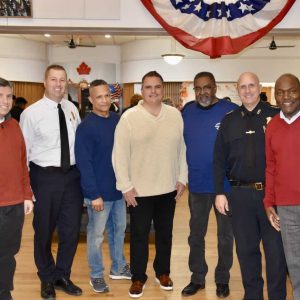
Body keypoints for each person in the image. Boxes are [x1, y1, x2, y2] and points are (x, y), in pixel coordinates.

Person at [112, 71, 187, 298]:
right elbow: (119, 154)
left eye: (157, 86)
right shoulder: (129, 118)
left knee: (165, 234)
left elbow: (182, 149)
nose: (153, 91)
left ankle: (162, 272)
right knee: (139, 236)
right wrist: (125, 186)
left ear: (162, 89)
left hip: (168, 188)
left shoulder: (175, 115)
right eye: (148, 87)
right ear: (141, 90)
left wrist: (182, 177)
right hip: (139, 191)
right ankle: (138, 277)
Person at [214, 72, 287, 300]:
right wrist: (219, 192)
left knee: (276, 254)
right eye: (243, 87)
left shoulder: (277, 117)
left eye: (251, 86)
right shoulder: (229, 120)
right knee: (246, 253)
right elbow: (218, 160)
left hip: (271, 197)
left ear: (259, 87)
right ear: (237, 90)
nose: (247, 90)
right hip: (240, 196)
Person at [20, 64, 83, 299]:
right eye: (54, 80)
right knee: (44, 231)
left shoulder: (73, 109)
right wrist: (26, 188)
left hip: (72, 177)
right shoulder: (31, 113)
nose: (58, 84)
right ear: (45, 82)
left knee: (71, 230)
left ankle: (62, 275)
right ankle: (46, 278)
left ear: (67, 83)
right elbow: (22, 154)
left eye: (62, 80)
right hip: (44, 177)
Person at [181, 72, 238, 298]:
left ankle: (222, 278)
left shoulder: (230, 111)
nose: (203, 92)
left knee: (226, 236)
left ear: (215, 88)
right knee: (196, 234)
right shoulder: (187, 111)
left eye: (207, 87)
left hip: (224, 187)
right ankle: (197, 278)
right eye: (198, 88)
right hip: (197, 185)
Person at [75, 79, 131, 294]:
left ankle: (118, 267)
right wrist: (93, 194)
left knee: (119, 232)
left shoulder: (118, 120)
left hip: (118, 190)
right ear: (91, 99)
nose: (104, 100)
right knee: (96, 236)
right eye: (99, 96)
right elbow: (84, 163)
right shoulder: (86, 127)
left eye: (107, 96)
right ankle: (96, 275)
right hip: (98, 194)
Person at [264, 73, 300, 299]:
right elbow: (270, 167)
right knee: (295, 265)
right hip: (286, 209)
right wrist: (268, 202)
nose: (286, 96)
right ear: (275, 96)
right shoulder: (272, 127)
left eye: (292, 90)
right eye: (280, 92)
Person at [0, 77, 33, 300]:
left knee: (8, 254)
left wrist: (26, 195)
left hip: (13, 204)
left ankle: (4, 292)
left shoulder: (14, 126)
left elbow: (22, 163)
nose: (5, 101)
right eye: (0, 96)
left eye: (8, 96)